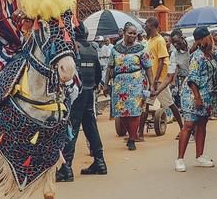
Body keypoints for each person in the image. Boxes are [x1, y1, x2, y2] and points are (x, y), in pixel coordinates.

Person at [58, 25, 106, 180]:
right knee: (90, 127)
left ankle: (66, 168)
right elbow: (98, 73)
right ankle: (100, 162)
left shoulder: (72, 47)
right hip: (89, 91)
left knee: (72, 127)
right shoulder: (92, 48)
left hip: (76, 94)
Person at [175, 26, 217, 171]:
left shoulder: (210, 54)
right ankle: (180, 159)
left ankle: (199, 156)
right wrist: (197, 98)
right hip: (192, 94)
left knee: (202, 124)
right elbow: (192, 79)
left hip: (206, 94)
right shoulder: (197, 56)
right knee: (188, 125)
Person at [107, 22, 154, 151]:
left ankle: (132, 138)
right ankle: (130, 133)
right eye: (130, 33)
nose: (133, 35)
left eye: (134, 33)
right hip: (119, 83)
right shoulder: (115, 49)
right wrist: (106, 84)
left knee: (134, 111)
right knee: (121, 112)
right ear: (124, 33)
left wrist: (151, 85)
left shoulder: (141, 49)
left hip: (136, 82)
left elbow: (148, 68)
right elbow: (110, 67)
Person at [159, 29, 192, 136]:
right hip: (186, 82)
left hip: (200, 80)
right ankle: (187, 131)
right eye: (173, 43)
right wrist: (158, 90)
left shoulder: (193, 44)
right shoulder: (174, 54)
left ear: (182, 38)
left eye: (177, 41)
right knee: (187, 108)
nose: (175, 45)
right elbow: (170, 75)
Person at [144, 17, 172, 135]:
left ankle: (183, 127)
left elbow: (161, 61)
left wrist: (155, 80)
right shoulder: (150, 40)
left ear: (153, 27)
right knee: (146, 105)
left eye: (147, 26)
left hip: (159, 79)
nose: (145, 27)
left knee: (169, 104)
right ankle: (139, 133)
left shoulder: (160, 40)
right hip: (151, 79)